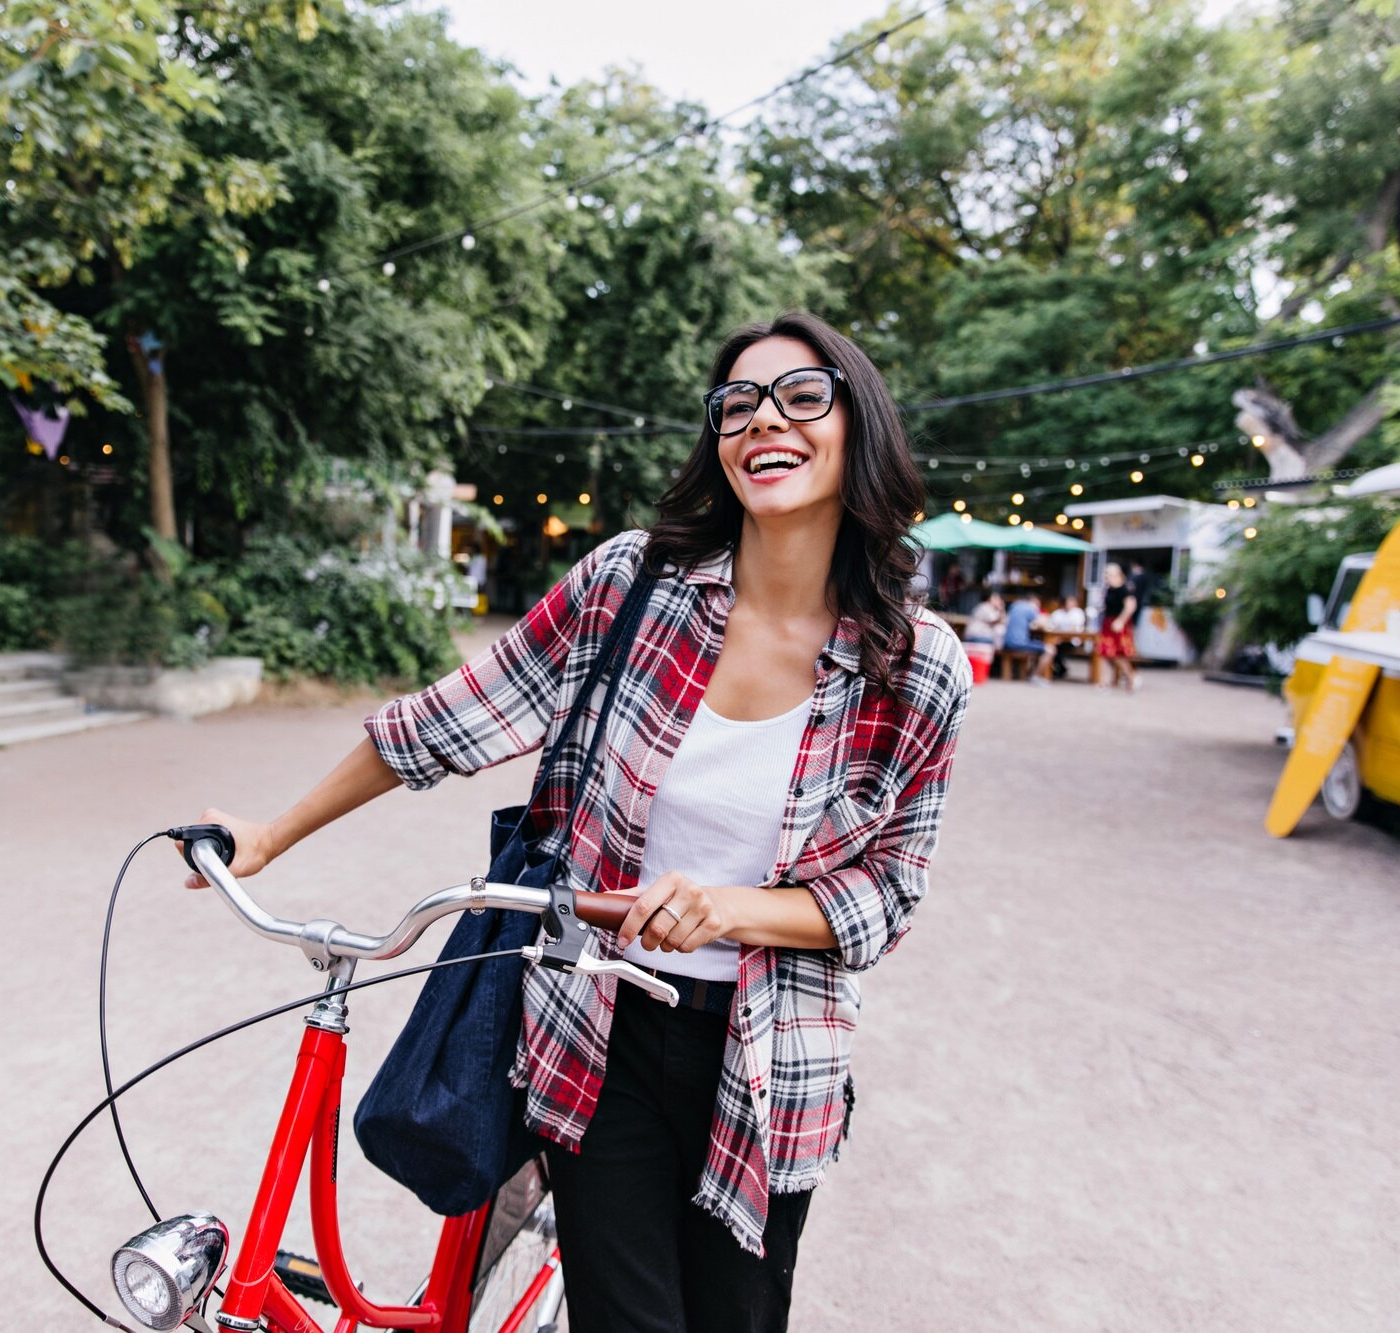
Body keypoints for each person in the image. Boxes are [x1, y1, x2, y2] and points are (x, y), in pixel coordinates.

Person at [178, 311, 970, 1331]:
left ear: (859, 426)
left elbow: (885, 895)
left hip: (773, 1058)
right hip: (596, 1028)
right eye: (737, 403)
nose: (764, 420)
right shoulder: (630, 586)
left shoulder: (915, 666)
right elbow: (450, 717)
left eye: (801, 395)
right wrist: (272, 832)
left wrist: (731, 909)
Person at [1095, 562, 1138, 692]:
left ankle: (1130, 677)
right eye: (1105, 574)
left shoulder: (1124, 589)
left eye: (1108, 574)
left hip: (1119, 624)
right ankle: (1105, 682)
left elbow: (1130, 606)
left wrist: (1120, 621)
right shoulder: (1108, 589)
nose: (1106, 576)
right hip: (1107, 623)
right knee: (1105, 653)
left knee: (1118, 655)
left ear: (1117, 575)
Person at [1002, 591, 1045, 681]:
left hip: (1006, 641)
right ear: (1034, 601)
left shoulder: (1014, 606)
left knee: (1034, 645)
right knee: (1049, 649)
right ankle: (1035, 676)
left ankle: (1027, 673)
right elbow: (1041, 624)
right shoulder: (1030, 608)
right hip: (1019, 643)